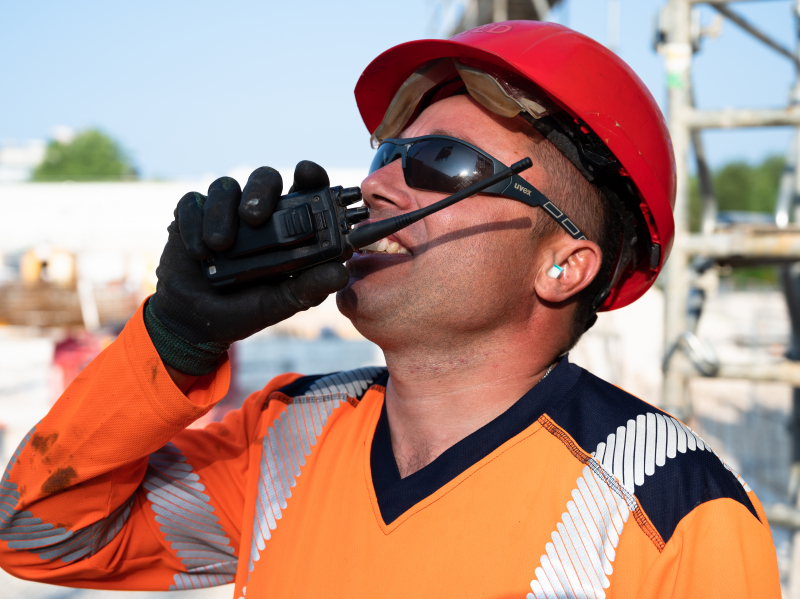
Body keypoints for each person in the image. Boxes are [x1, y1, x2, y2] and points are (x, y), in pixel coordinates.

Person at [0, 20, 781, 598]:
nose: (377, 187)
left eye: (443, 163)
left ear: (564, 263)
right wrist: (174, 340)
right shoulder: (285, 438)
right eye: (387, 154)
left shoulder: (673, 508)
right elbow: (37, 534)